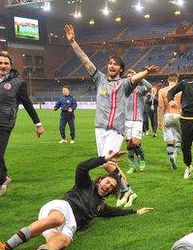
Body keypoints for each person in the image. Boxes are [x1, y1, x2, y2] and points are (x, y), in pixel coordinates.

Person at [0, 152, 152, 250]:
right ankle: (6, 247)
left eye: (111, 187)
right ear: (100, 180)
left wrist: (135, 212)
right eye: (107, 182)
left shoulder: (101, 207)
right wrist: (104, 159)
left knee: (63, 240)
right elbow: (82, 167)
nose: (108, 186)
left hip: (71, 225)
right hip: (62, 207)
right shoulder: (85, 184)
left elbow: (116, 212)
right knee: (57, 219)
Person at [64, 24, 158, 206]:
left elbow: (134, 78)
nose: (111, 66)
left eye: (115, 64)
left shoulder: (124, 84)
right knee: (106, 164)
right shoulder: (99, 79)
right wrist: (73, 42)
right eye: (110, 63)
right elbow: (85, 61)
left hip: (116, 129)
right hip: (100, 128)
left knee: (107, 163)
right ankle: (127, 191)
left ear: (120, 69)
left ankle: (126, 190)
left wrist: (146, 72)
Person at [0, 51, 45, 197]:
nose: (3, 65)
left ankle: (1, 183)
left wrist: (38, 124)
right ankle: (4, 176)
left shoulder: (18, 83)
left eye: (6, 63)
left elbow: (28, 104)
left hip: (4, 122)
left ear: (11, 66)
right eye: (0, 63)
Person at [124, 69, 152, 174]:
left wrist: (140, 76)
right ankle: (132, 165)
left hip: (137, 120)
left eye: (132, 76)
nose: (130, 78)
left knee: (136, 142)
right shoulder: (124, 90)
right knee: (129, 145)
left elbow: (149, 87)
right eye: (129, 77)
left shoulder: (140, 89)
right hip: (126, 120)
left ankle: (142, 160)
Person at [158, 74, 183, 170]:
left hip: (167, 116)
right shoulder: (181, 91)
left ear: (168, 80)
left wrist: (159, 121)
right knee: (181, 140)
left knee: (169, 141)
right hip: (178, 115)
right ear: (177, 80)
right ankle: (174, 156)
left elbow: (160, 106)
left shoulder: (162, 91)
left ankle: (171, 160)